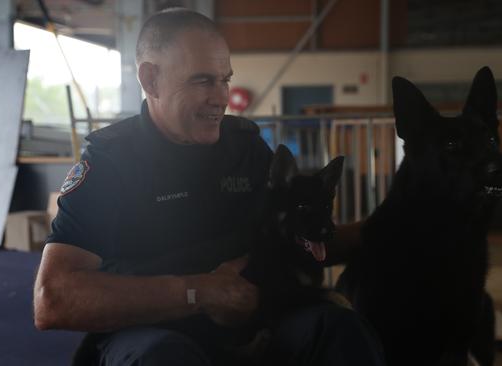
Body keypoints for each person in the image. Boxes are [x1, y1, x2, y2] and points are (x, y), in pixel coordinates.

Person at [33, 8, 384, 366]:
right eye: (203, 81)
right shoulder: (110, 163)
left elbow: (298, 232)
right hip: (153, 330)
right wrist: (197, 293)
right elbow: (54, 298)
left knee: (340, 330)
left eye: (224, 80)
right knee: (162, 358)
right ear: (151, 80)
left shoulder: (245, 147)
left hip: (252, 321)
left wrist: (387, 228)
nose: (221, 97)